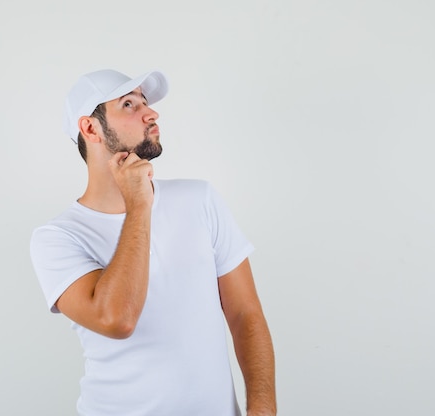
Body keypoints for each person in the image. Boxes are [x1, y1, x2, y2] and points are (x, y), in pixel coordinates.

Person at [30, 69, 276, 416]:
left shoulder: (199, 199)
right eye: (128, 104)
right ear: (90, 128)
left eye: (145, 102)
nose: (151, 113)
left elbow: (245, 314)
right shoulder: (57, 238)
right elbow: (117, 319)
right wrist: (139, 205)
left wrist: (263, 412)